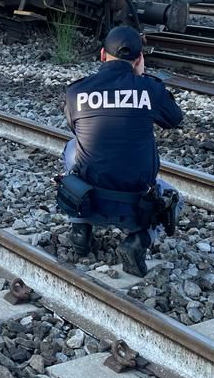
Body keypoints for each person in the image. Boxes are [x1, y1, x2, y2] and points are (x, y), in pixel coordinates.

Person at [62, 25, 184, 276]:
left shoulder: (77, 91)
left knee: (73, 147)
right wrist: (142, 79)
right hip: (136, 208)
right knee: (174, 196)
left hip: (90, 201)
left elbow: (74, 125)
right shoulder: (150, 90)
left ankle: (80, 228)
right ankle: (137, 241)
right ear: (139, 59)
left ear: (102, 55)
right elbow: (174, 119)